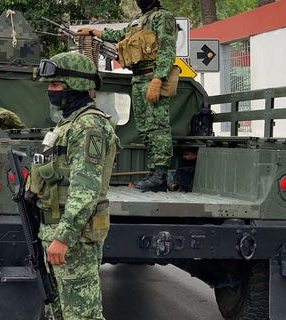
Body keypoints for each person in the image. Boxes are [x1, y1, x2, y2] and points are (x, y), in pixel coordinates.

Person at [35, 52, 118, 319]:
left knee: (82, 316)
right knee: (58, 311)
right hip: (57, 232)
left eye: (56, 85)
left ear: (74, 86)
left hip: (75, 239)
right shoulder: (67, 123)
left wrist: (63, 237)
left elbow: (86, 190)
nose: (51, 90)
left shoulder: (88, 126)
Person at [76, 0, 177, 192]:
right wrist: (94, 32)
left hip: (152, 77)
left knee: (157, 128)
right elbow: (120, 35)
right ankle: (153, 172)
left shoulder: (163, 17)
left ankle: (160, 175)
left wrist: (158, 79)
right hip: (139, 79)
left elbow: (167, 49)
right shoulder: (139, 19)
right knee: (145, 129)